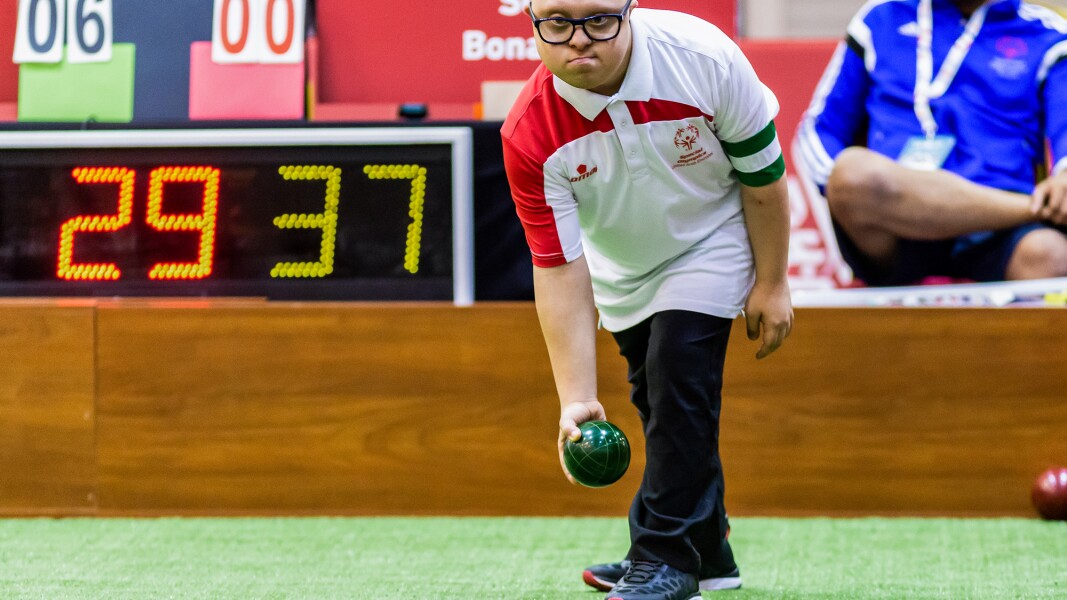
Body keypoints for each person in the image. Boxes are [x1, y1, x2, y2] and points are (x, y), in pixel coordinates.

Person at [500, 1, 793, 598]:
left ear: (630, 10)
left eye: (600, 20)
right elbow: (556, 268)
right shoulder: (529, 133)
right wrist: (576, 400)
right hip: (625, 268)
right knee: (662, 405)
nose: (579, 39)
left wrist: (771, 281)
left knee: (678, 375)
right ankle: (708, 552)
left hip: (715, 234)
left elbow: (763, 178)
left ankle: (661, 556)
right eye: (557, 23)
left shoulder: (702, 57)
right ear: (532, 21)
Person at [795, 0, 1067, 287]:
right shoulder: (881, 17)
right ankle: (1035, 208)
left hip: (1001, 229)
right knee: (852, 174)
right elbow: (818, 130)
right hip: (895, 219)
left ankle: (1028, 210)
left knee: (1052, 257)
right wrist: (843, 191)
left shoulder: (1049, 33)